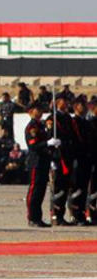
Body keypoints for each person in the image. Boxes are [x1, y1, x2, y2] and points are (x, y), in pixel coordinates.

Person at [24, 103, 52, 228]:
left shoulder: (41, 125)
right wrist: (47, 143)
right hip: (35, 161)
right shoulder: (31, 127)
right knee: (34, 190)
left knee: (41, 191)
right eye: (37, 110)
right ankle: (32, 217)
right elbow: (33, 146)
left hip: (43, 161)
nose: (40, 112)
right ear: (31, 111)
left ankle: (38, 217)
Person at [51, 95, 76, 225]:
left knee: (65, 187)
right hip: (58, 156)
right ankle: (55, 214)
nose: (65, 104)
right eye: (63, 102)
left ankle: (61, 214)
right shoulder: (54, 119)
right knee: (57, 186)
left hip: (68, 156)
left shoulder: (67, 118)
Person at [69, 95, 92, 225]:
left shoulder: (86, 122)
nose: (85, 107)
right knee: (77, 187)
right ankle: (76, 214)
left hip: (87, 159)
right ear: (76, 106)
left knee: (83, 188)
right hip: (78, 157)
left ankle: (82, 214)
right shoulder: (74, 122)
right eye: (82, 105)